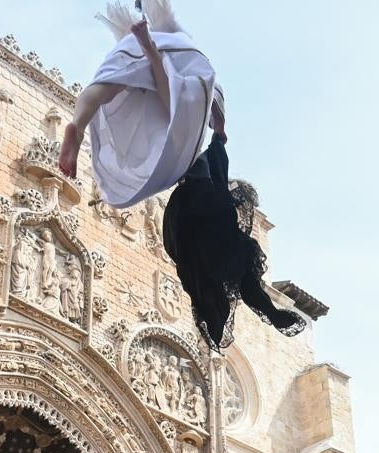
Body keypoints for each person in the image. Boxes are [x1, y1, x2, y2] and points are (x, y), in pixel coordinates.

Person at [59, 0, 222, 210]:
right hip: (177, 54)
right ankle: (152, 54)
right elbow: (215, 94)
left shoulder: (129, 37)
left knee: (106, 87)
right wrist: (220, 126)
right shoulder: (179, 38)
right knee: (176, 110)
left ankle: (78, 127)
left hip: (131, 46)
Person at [161, 131, 305, 350]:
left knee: (229, 283)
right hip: (204, 234)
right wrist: (218, 136)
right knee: (236, 282)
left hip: (201, 233)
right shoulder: (209, 189)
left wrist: (218, 137)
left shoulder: (204, 191)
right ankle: (259, 315)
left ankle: (239, 317)